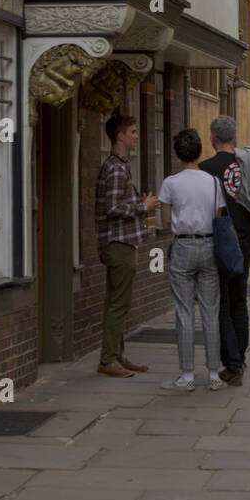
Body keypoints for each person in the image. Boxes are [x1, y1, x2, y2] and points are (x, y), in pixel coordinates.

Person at [158, 128, 227, 392]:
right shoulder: (212, 182)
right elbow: (219, 214)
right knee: (211, 310)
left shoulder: (170, 183)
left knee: (184, 311)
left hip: (183, 245)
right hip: (209, 244)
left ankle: (187, 375)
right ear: (200, 152)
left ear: (176, 153)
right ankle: (213, 373)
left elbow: (165, 220)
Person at [95, 113, 160, 378]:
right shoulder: (116, 167)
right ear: (119, 136)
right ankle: (108, 360)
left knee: (118, 302)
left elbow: (118, 202)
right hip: (118, 242)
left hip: (122, 241)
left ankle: (117, 355)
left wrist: (137, 203)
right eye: (132, 132)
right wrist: (142, 207)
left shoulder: (121, 165)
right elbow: (112, 208)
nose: (136, 136)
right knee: (118, 303)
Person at [199, 115, 250, 387]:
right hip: (243, 240)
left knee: (220, 302)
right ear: (234, 138)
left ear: (212, 138)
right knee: (239, 300)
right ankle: (240, 358)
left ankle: (231, 361)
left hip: (218, 240)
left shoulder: (205, 169)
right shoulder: (248, 165)